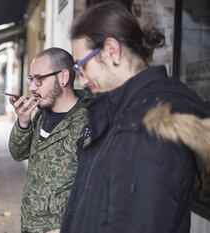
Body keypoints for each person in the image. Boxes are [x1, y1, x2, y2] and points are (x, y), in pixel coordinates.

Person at [60, 1, 210, 233]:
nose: (82, 80)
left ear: (111, 51)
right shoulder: (119, 113)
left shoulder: (153, 123)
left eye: (82, 66)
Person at [8, 47, 91, 233]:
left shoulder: (87, 122)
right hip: (30, 223)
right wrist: (23, 121)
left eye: (39, 79)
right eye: (31, 79)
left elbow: (94, 186)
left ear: (63, 77)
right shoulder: (42, 114)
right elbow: (18, 153)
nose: (32, 87)